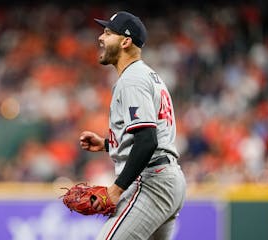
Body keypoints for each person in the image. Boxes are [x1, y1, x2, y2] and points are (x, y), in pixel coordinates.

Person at [79, 11, 186, 240]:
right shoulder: (147, 75)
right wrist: (108, 144)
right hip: (168, 177)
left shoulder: (132, 79)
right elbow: (149, 135)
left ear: (125, 41)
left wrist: (116, 190)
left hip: (152, 181)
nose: (100, 37)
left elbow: (147, 140)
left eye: (107, 33)